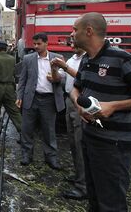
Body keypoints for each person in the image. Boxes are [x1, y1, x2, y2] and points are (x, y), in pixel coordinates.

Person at [68, 12, 131, 211]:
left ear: (88, 31)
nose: (72, 34)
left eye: (74, 29)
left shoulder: (122, 59)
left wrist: (114, 106)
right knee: (95, 198)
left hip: (114, 145)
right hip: (90, 139)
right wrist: (78, 105)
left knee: (111, 202)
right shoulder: (86, 60)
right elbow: (75, 88)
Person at [16, 32, 65, 170]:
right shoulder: (28, 59)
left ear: (46, 43)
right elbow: (22, 80)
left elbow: (65, 78)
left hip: (49, 100)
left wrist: (56, 78)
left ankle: (51, 158)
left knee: (49, 130)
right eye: (35, 44)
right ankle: (26, 155)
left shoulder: (57, 58)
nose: (36, 46)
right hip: (31, 98)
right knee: (27, 129)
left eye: (39, 44)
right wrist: (19, 97)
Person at [52, 43, 87, 200]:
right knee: (73, 141)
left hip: (80, 103)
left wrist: (64, 67)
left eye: (74, 38)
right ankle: (79, 175)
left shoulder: (88, 60)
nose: (72, 42)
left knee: (81, 143)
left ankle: (84, 186)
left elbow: (83, 79)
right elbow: (59, 79)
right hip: (69, 100)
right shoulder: (73, 59)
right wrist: (55, 69)